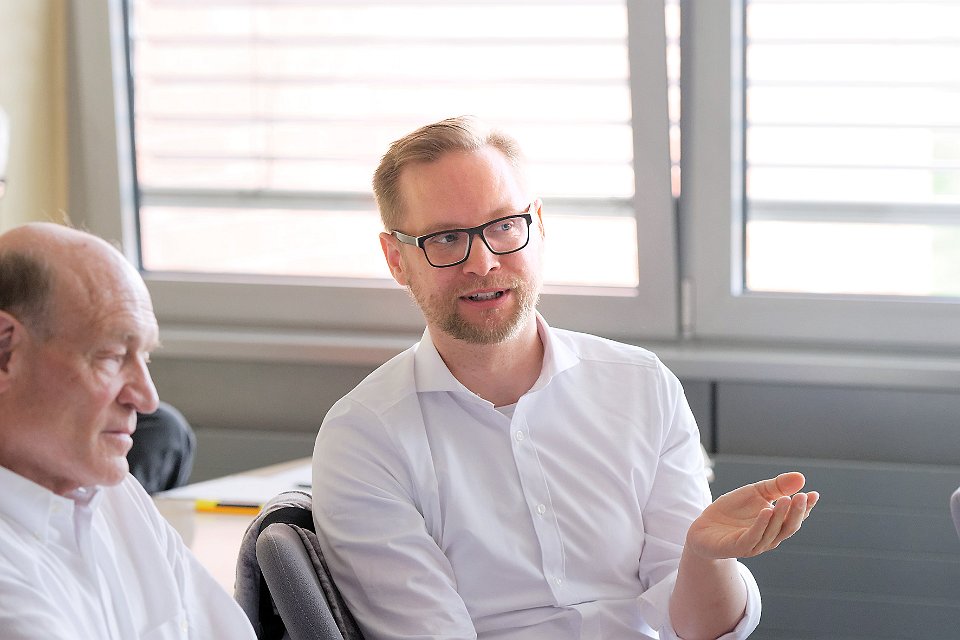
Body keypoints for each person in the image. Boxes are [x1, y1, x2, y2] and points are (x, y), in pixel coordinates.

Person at [311, 116, 819, 640]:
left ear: (537, 225)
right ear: (397, 259)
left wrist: (704, 557)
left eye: (503, 226)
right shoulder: (363, 438)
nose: (483, 262)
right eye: (445, 238)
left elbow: (701, 630)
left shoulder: (642, 386)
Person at [0, 222, 256, 639]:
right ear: (5, 352)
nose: (147, 398)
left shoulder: (113, 496)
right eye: (113, 355)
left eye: (145, 357)